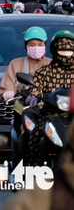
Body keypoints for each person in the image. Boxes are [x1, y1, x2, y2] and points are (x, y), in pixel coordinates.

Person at [25, 31, 74, 165]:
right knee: (35, 133)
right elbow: (36, 87)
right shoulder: (44, 72)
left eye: (69, 50)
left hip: (72, 113)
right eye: (62, 49)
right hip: (50, 111)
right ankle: (32, 170)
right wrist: (34, 96)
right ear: (54, 50)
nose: (65, 53)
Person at [0, 27, 50, 101]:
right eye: (32, 45)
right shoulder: (15, 64)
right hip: (22, 106)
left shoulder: (52, 64)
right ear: (26, 46)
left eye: (40, 45)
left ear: (45, 46)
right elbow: (8, 83)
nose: (36, 48)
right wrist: (8, 91)